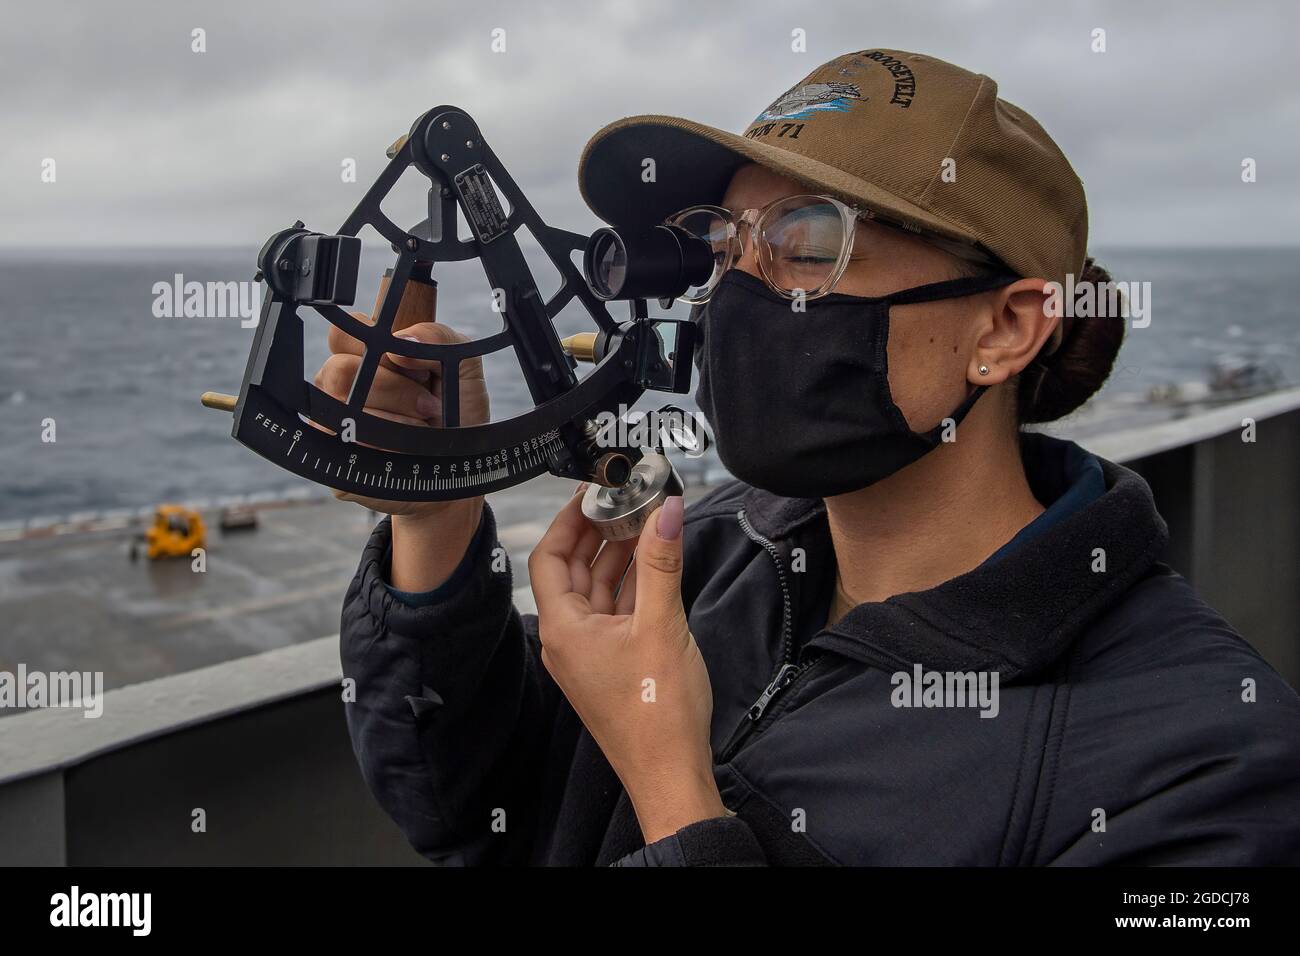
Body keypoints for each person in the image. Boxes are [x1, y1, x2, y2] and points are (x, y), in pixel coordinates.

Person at [319, 50, 1300, 865]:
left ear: (1004, 327)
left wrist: (674, 794)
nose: (737, 295)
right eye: (723, 243)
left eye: (806, 241)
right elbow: (481, 810)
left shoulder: (1201, 760)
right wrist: (433, 522)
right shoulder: (705, 552)